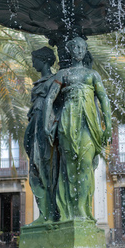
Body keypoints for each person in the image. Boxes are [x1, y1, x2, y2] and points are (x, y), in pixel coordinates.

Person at [43, 37, 112, 221]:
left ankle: (82, 208)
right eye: (76, 47)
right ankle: (69, 211)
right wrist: (46, 125)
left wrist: (108, 125)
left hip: (88, 124)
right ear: (70, 50)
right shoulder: (63, 74)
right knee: (69, 168)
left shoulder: (92, 75)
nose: (80, 50)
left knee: (85, 165)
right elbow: (50, 99)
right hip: (68, 123)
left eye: (83, 47)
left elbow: (104, 99)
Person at [24, 46, 59, 223]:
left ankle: (49, 214)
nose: (32, 63)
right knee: (35, 171)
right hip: (35, 126)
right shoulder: (41, 83)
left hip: (44, 129)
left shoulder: (54, 80)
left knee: (45, 170)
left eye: (35, 59)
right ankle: (44, 213)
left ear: (44, 60)